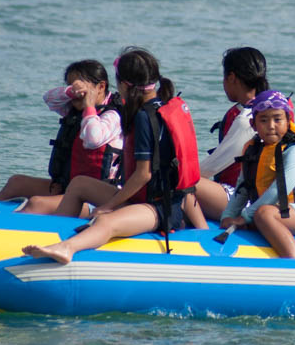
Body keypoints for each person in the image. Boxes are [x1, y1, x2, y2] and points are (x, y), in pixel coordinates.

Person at [22, 47, 205, 264]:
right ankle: (52, 234)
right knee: (80, 184)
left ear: (125, 85)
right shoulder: (163, 106)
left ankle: (67, 248)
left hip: (157, 208)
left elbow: (143, 175)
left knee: (106, 223)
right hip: (144, 198)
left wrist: (109, 206)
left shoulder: (145, 118)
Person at [0, 60, 123, 215]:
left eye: (81, 87)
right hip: (68, 188)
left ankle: (8, 233)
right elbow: (49, 99)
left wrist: (89, 107)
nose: (77, 94)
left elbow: (92, 139)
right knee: (16, 183)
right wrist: (70, 91)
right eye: (71, 86)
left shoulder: (113, 116)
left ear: (101, 87)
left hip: (95, 199)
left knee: (37, 203)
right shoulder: (74, 108)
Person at [219, 90, 295, 259]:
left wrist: (245, 217)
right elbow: (242, 188)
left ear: (288, 121)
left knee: (263, 214)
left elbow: (279, 190)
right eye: (263, 120)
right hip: (282, 211)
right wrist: (227, 216)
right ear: (253, 124)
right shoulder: (253, 150)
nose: (271, 125)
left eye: (277, 119)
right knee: (260, 214)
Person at [190, 47, 269, 222]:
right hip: (261, 199)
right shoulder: (272, 112)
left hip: (244, 202)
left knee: (185, 181)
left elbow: (209, 169)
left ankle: (199, 230)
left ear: (232, 78)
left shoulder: (248, 119)